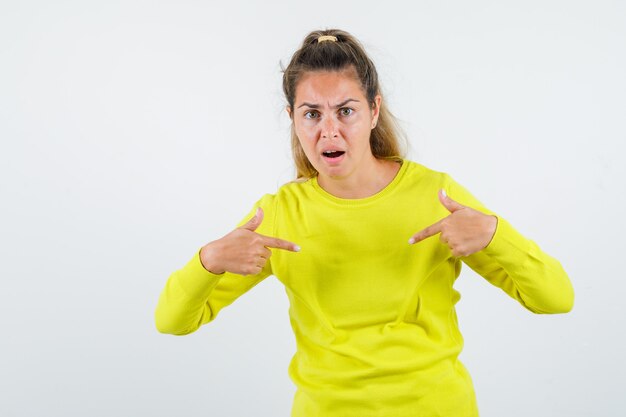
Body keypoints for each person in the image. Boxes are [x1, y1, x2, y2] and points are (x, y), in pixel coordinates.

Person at [154, 28, 574, 417]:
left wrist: (494, 235)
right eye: (312, 114)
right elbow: (172, 321)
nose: (329, 131)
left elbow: (555, 298)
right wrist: (208, 260)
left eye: (346, 111)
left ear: (374, 111)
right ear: (293, 119)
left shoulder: (435, 195)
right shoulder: (280, 213)